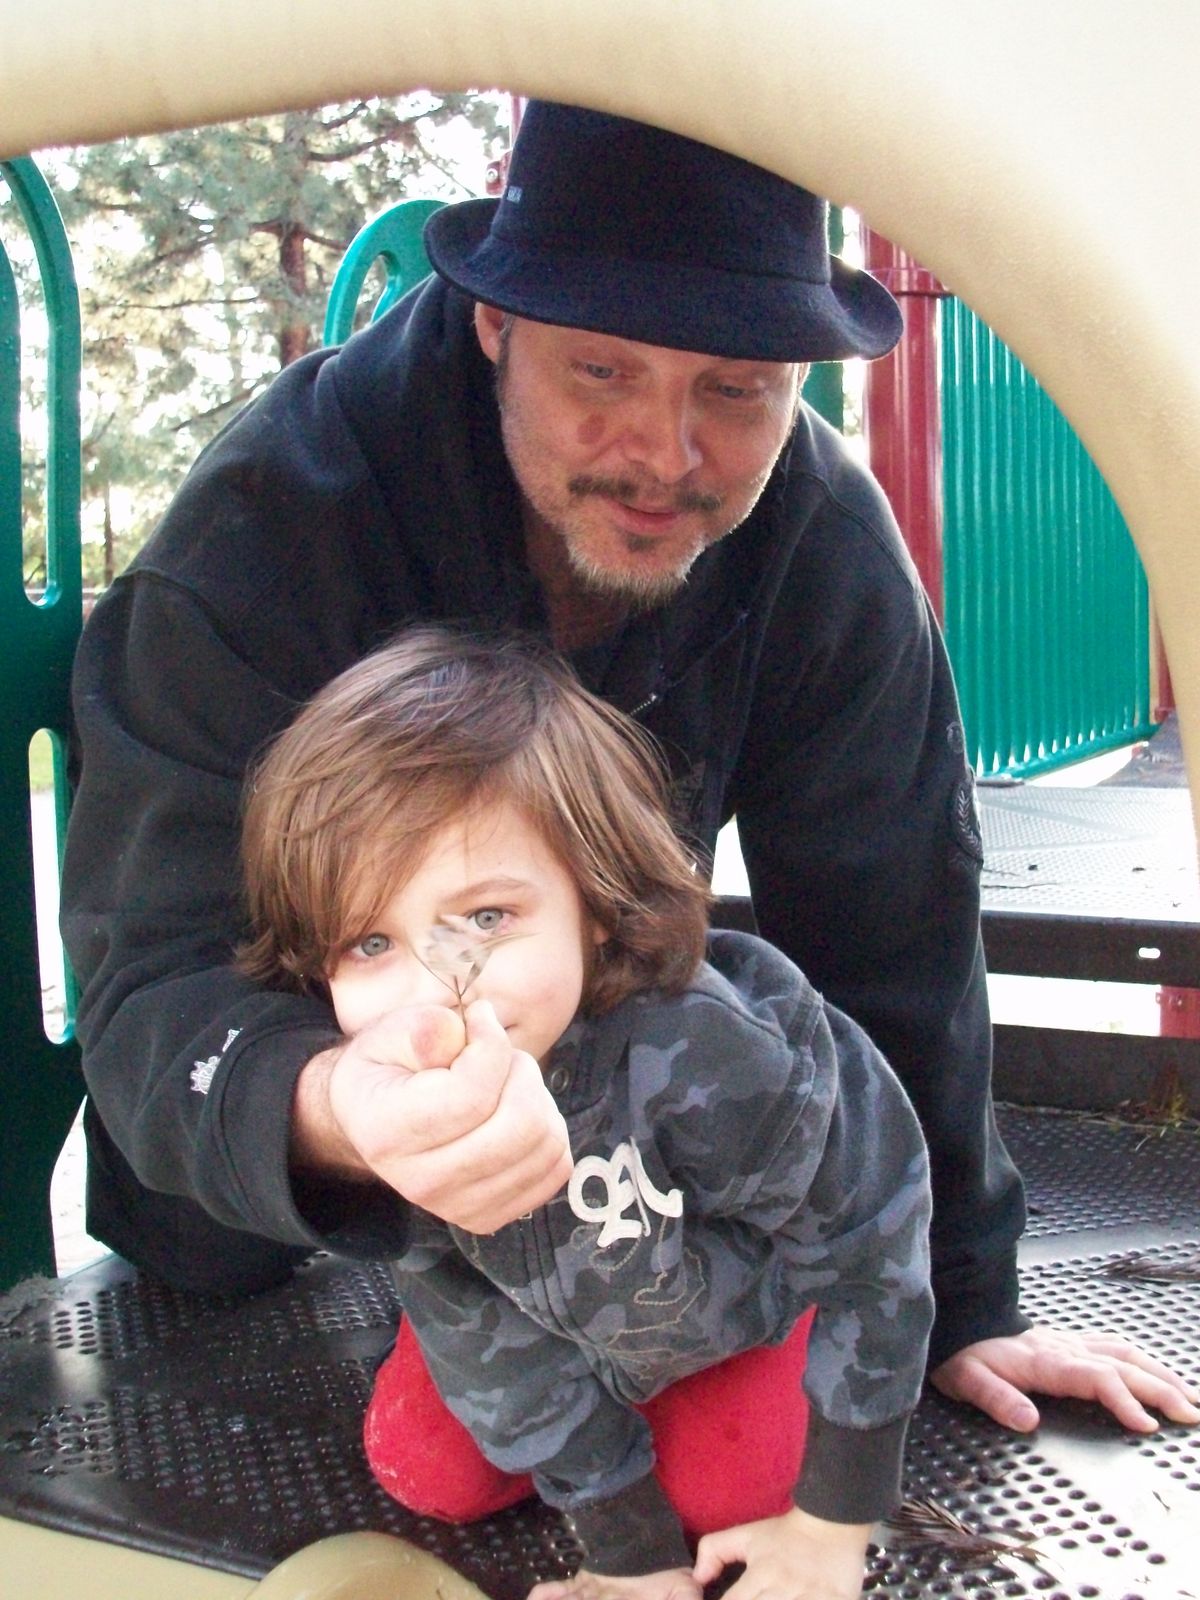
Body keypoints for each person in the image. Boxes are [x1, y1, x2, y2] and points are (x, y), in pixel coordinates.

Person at [61, 100, 1198, 1444]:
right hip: (266, 1215)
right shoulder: (265, 535)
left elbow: (895, 930)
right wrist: (343, 1112)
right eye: (602, 372)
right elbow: (155, 982)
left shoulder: (820, 539)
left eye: (735, 389)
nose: (665, 454)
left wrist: (959, 1298)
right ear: (495, 323)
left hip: (615, 1185)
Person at [237, 624, 935, 1599]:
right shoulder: (395, 1100)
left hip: (728, 1311)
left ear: (596, 905)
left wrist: (831, 1529)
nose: (435, 991)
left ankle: (722, 1408)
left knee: (741, 1489)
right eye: (370, 943)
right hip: (560, 1318)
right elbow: (470, 1319)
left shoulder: (710, 1057)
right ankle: (597, 1430)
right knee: (426, 1470)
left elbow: (871, 1245)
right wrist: (627, 1549)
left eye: (486, 918)